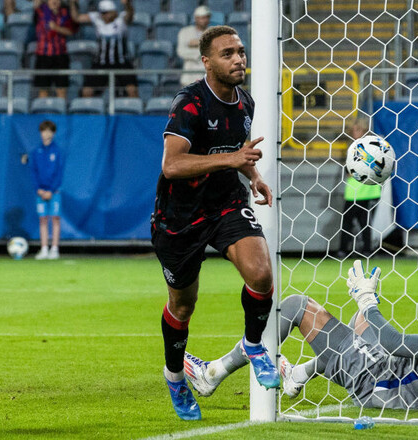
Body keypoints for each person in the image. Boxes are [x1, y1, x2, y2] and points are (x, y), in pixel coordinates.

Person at [185, 260, 418, 411]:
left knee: (297, 306)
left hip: (381, 387)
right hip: (410, 390)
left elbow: (396, 344)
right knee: (359, 325)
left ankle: (211, 374)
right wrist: (368, 314)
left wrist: (369, 299)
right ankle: (297, 375)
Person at [151, 25, 279, 421]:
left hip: (225, 204)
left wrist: (253, 177)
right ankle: (175, 375)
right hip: (179, 218)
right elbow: (172, 165)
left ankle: (254, 346)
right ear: (207, 62)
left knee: (260, 274)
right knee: (183, 305)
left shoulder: (246, 103)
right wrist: (233, 161)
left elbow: (235, 153)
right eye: (228, 54)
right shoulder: (189, 103)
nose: (239, 59)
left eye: (240, 51)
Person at [69, 0, 138, 98]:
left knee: (132, 90)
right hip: (101, 62)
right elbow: (76, 18)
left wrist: (127, 4)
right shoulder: (97, 18)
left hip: (121, 62)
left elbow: (130, 15)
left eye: (107, 12)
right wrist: (72, 3)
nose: (105, 15)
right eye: (102, 13)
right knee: (86, 91)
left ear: (114, 12)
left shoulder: (121, 19)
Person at [336, 118, 383, 259]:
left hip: (368, 192)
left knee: (365, 224)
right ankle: (343, 250)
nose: (354, 132)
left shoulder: (372, 147)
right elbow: (349, 171)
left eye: (357, 129)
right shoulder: (352, 147)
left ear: (364, 130)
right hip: (352, 192)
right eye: (353, 130)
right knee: (347, 223)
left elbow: (377, 168)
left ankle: (367, 250)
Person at [30, 120, 65, 260]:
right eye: (44, 131)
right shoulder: (35, 152)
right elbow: (33, 172)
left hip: (54, 192)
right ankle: (44, 248)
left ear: (54, 133)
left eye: (49, 131)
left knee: (55, 219)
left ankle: (54, 248)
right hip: (40, 192)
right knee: (43, 219)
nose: (46, 134)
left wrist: (51, 190)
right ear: (40, 133)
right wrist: (38, 189)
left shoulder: (57, 151)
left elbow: (59, 173)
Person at [33, 0, 77, 98]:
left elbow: (70, 31)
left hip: (60, 56)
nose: (55, 1)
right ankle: (43, 112)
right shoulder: (40, 10)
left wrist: (57, 28)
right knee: (43, 91)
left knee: (61, 91)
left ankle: (61, 112)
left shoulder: (65, 13)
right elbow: (36, 3)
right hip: (43, 57)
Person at [176, 5, 211, 88]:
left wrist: (198, 43)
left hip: (206, 77)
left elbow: (213, 51)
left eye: (205, 17)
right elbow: (181, 51)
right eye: (201, 18)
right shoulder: (185, 32)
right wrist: (201, 51)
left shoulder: (212, 32)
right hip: (189, 76)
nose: (203, 20)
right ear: (196, 18)